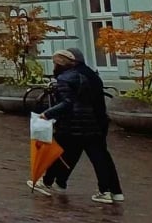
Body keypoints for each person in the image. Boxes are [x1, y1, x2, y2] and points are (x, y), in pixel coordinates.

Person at [33, 48, 125, 203]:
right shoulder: (92, 76)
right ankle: (113, 191)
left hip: (75, 124)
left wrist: (49, 114)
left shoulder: (69, 77)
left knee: (61, 152)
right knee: (98, 157)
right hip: (96, 122)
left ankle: (49, 182)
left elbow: (68, 103)